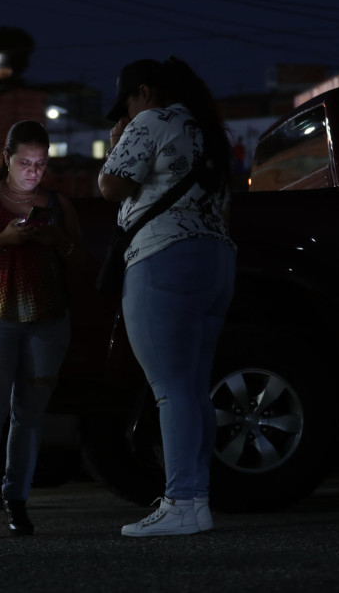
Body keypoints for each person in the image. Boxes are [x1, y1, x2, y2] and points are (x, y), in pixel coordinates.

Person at [98, 57, 236, 537]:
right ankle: (195, 500)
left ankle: (179, 501)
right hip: (216, 259)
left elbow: (111, 185)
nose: (126, 114)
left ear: (144, 92)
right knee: (194, 387)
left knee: (169, 387)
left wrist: (117, 144)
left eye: (127, 104)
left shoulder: (152, 120)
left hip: (163, 255)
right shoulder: (209, 131)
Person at [0, 120, 81, 538]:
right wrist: (3, 239)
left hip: (47, 317)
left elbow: (81, 260)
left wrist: (56, 240)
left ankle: (17, 500)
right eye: (25, 162)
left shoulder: (58, 203)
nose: (33, 171)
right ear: (7, 158)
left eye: (40, 164)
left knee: (30, 415)